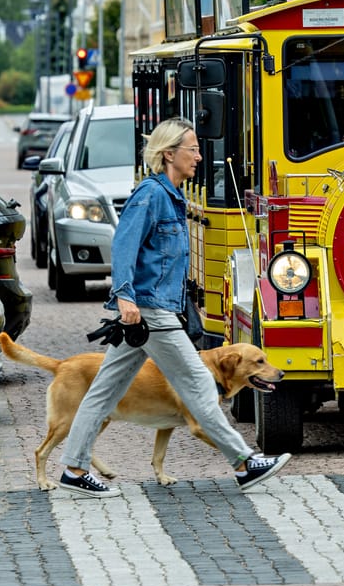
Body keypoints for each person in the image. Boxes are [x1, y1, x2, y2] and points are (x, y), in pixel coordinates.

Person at [56, 117, 291, 497]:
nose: (199, 156)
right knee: (200, 382)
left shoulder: (173, 197)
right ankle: (245, 463)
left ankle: (73, 470)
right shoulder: (150, 195)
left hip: (154, 309)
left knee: (103, 392)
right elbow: (123, 246)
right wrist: (126, 297)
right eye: (192, 149)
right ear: (169, 154)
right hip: (149, 312)